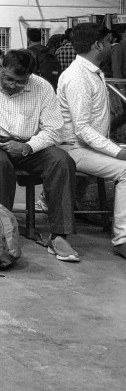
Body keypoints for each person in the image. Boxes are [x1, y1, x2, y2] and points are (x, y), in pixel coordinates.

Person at [0, 49, 80, 262]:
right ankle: (1, 229)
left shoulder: (42, 87)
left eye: (20, 82)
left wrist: (28, 147)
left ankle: (59, 235)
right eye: (8, 78)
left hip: (28, 144)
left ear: (30, 77)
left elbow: (54, 129)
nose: (12, 85)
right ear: (0, 67)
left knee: (62, 161)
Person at [56, 23, 126, 260]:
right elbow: (83, 129)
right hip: (73, 148)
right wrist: (117, 152)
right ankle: (122, 239)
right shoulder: (78, 76)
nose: (110, 46)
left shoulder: (92, 71)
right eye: (108, 41)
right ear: (97, 44)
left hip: (87, 146)